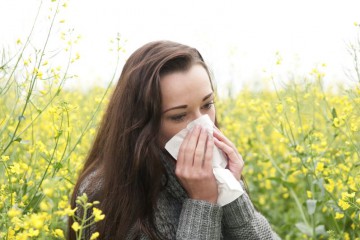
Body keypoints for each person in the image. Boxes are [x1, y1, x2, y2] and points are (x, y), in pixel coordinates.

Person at [68, 40, 280, 239]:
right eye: (178, 116)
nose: (203, 125)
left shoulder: (217, 172)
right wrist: (202, 203)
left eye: (207, 105)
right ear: (142, 122)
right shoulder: (103, 194)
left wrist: (231, 194)